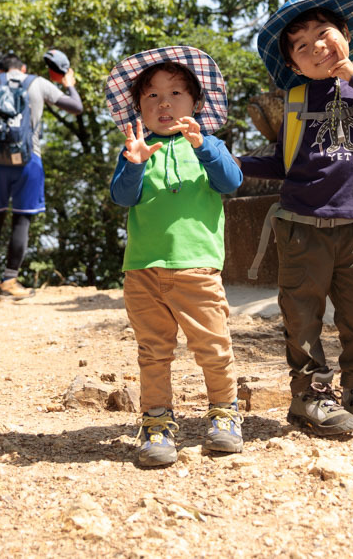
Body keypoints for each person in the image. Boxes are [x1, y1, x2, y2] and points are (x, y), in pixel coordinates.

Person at [240, 0, 353, 439]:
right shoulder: (295, 100)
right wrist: (231, 162)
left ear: (346, 37)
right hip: (301, 226)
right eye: (301, 45)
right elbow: (282, 163)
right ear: (293, 66)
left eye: (323, 34)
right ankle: (310, 395)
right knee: (302, 316)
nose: (315, 46)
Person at [107, 47, 244, 468]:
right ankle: (156, 422)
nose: (164, 103)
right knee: (152, 350)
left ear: (197, 104)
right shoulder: (136, 147)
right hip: (143, 270)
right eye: (151, 96)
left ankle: (224, 414)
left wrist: (204, 147)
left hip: (197, 267)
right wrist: (133, 164)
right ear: (138, 108)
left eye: (176, 93)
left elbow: (232, 181)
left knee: (213, 347)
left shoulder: (209, 144)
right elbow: (122, 196)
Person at [0, 49, 83, 302]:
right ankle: (10, 280)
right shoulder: (39, 83)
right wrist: (68, 84)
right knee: (21, 220)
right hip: (28, 158)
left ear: (1, 70)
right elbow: (76, 107)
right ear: (23, 68)